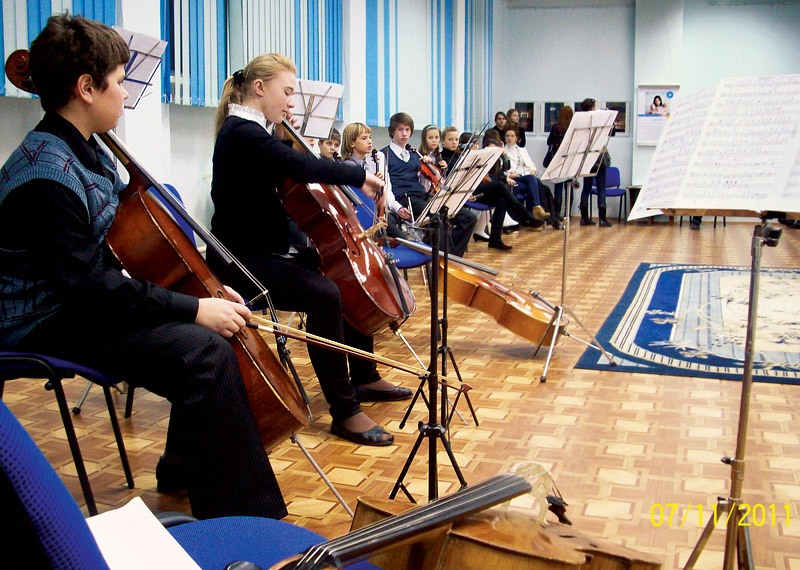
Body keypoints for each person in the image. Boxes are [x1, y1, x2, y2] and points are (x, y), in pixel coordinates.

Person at [0, 14, 287, 520]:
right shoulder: (45, 174)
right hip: (40, 318)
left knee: (208, 340)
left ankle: (188, 473)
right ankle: (242, 526)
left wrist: (200, 296)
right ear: (86, 88)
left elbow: (114, 260)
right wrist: (193, 309)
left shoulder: (85, 150)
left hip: (77, 300)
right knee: (203, 352)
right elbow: (90, 288)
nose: (125, 92)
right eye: (118, 80)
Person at [209, 54, 412, 448]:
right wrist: (360, 175)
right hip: (240, 262)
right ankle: (345, 410)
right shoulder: (241, 132)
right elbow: (300, 168)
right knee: (325, 293)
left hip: (267, 251)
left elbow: (284, 166)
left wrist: (288, 138)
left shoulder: (256, 133)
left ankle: (364, 375)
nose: (291, 102)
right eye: (287, 92)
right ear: (259, 88)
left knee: (342, 272)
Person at [383, 112, 477, 257]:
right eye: (400, 129)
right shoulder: (384, 155)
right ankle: (447, 261)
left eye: (407, 130)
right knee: (437, 217)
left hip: (422, 196)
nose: (404, 133)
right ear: (392, 131)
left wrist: (433, 169)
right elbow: (385, 188)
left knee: (468, 217)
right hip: (405, 199)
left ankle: (451, 258)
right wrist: (396, 207)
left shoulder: (414, 155)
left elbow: (429, 183)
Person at [341, 122, 412, 238]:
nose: (369, 141)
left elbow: (380, 195)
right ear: (352, 143)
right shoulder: (348, 167)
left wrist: (381, 186)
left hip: (377, 213)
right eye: (364, 138)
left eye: (370, 137)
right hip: (360, 216)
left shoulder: (372, 164)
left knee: (401, 237)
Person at [578, 97, 613, 227]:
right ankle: (602, 219)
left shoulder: (581, 121)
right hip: (599, 158)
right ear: (592, 107)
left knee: (586, 188)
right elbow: (611, 133)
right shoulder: (599, 120)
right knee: (601, 188)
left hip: (587, 158)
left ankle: (584, 218)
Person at [504, 127, 548, 221]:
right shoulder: (503, 152)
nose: (509, 138)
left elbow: (532, 167)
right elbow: (501, 172)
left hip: (524, 178)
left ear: (516, 138)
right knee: (535, 185)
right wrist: (510, 175)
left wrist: (530, 173)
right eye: (507, 136)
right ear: (505, 138)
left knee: (532, 182)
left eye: (512, 136)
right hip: (512, 179)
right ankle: (537, 210)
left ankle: (532, 217)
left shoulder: (522, 150)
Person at [546, 105, 573, 224]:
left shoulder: (556, 127)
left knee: (558, 188)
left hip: (557, 161)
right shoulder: (573, 128)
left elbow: (549, 142)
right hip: (569, 161)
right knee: (569, 188)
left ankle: (557, 214)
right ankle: (568, 214)